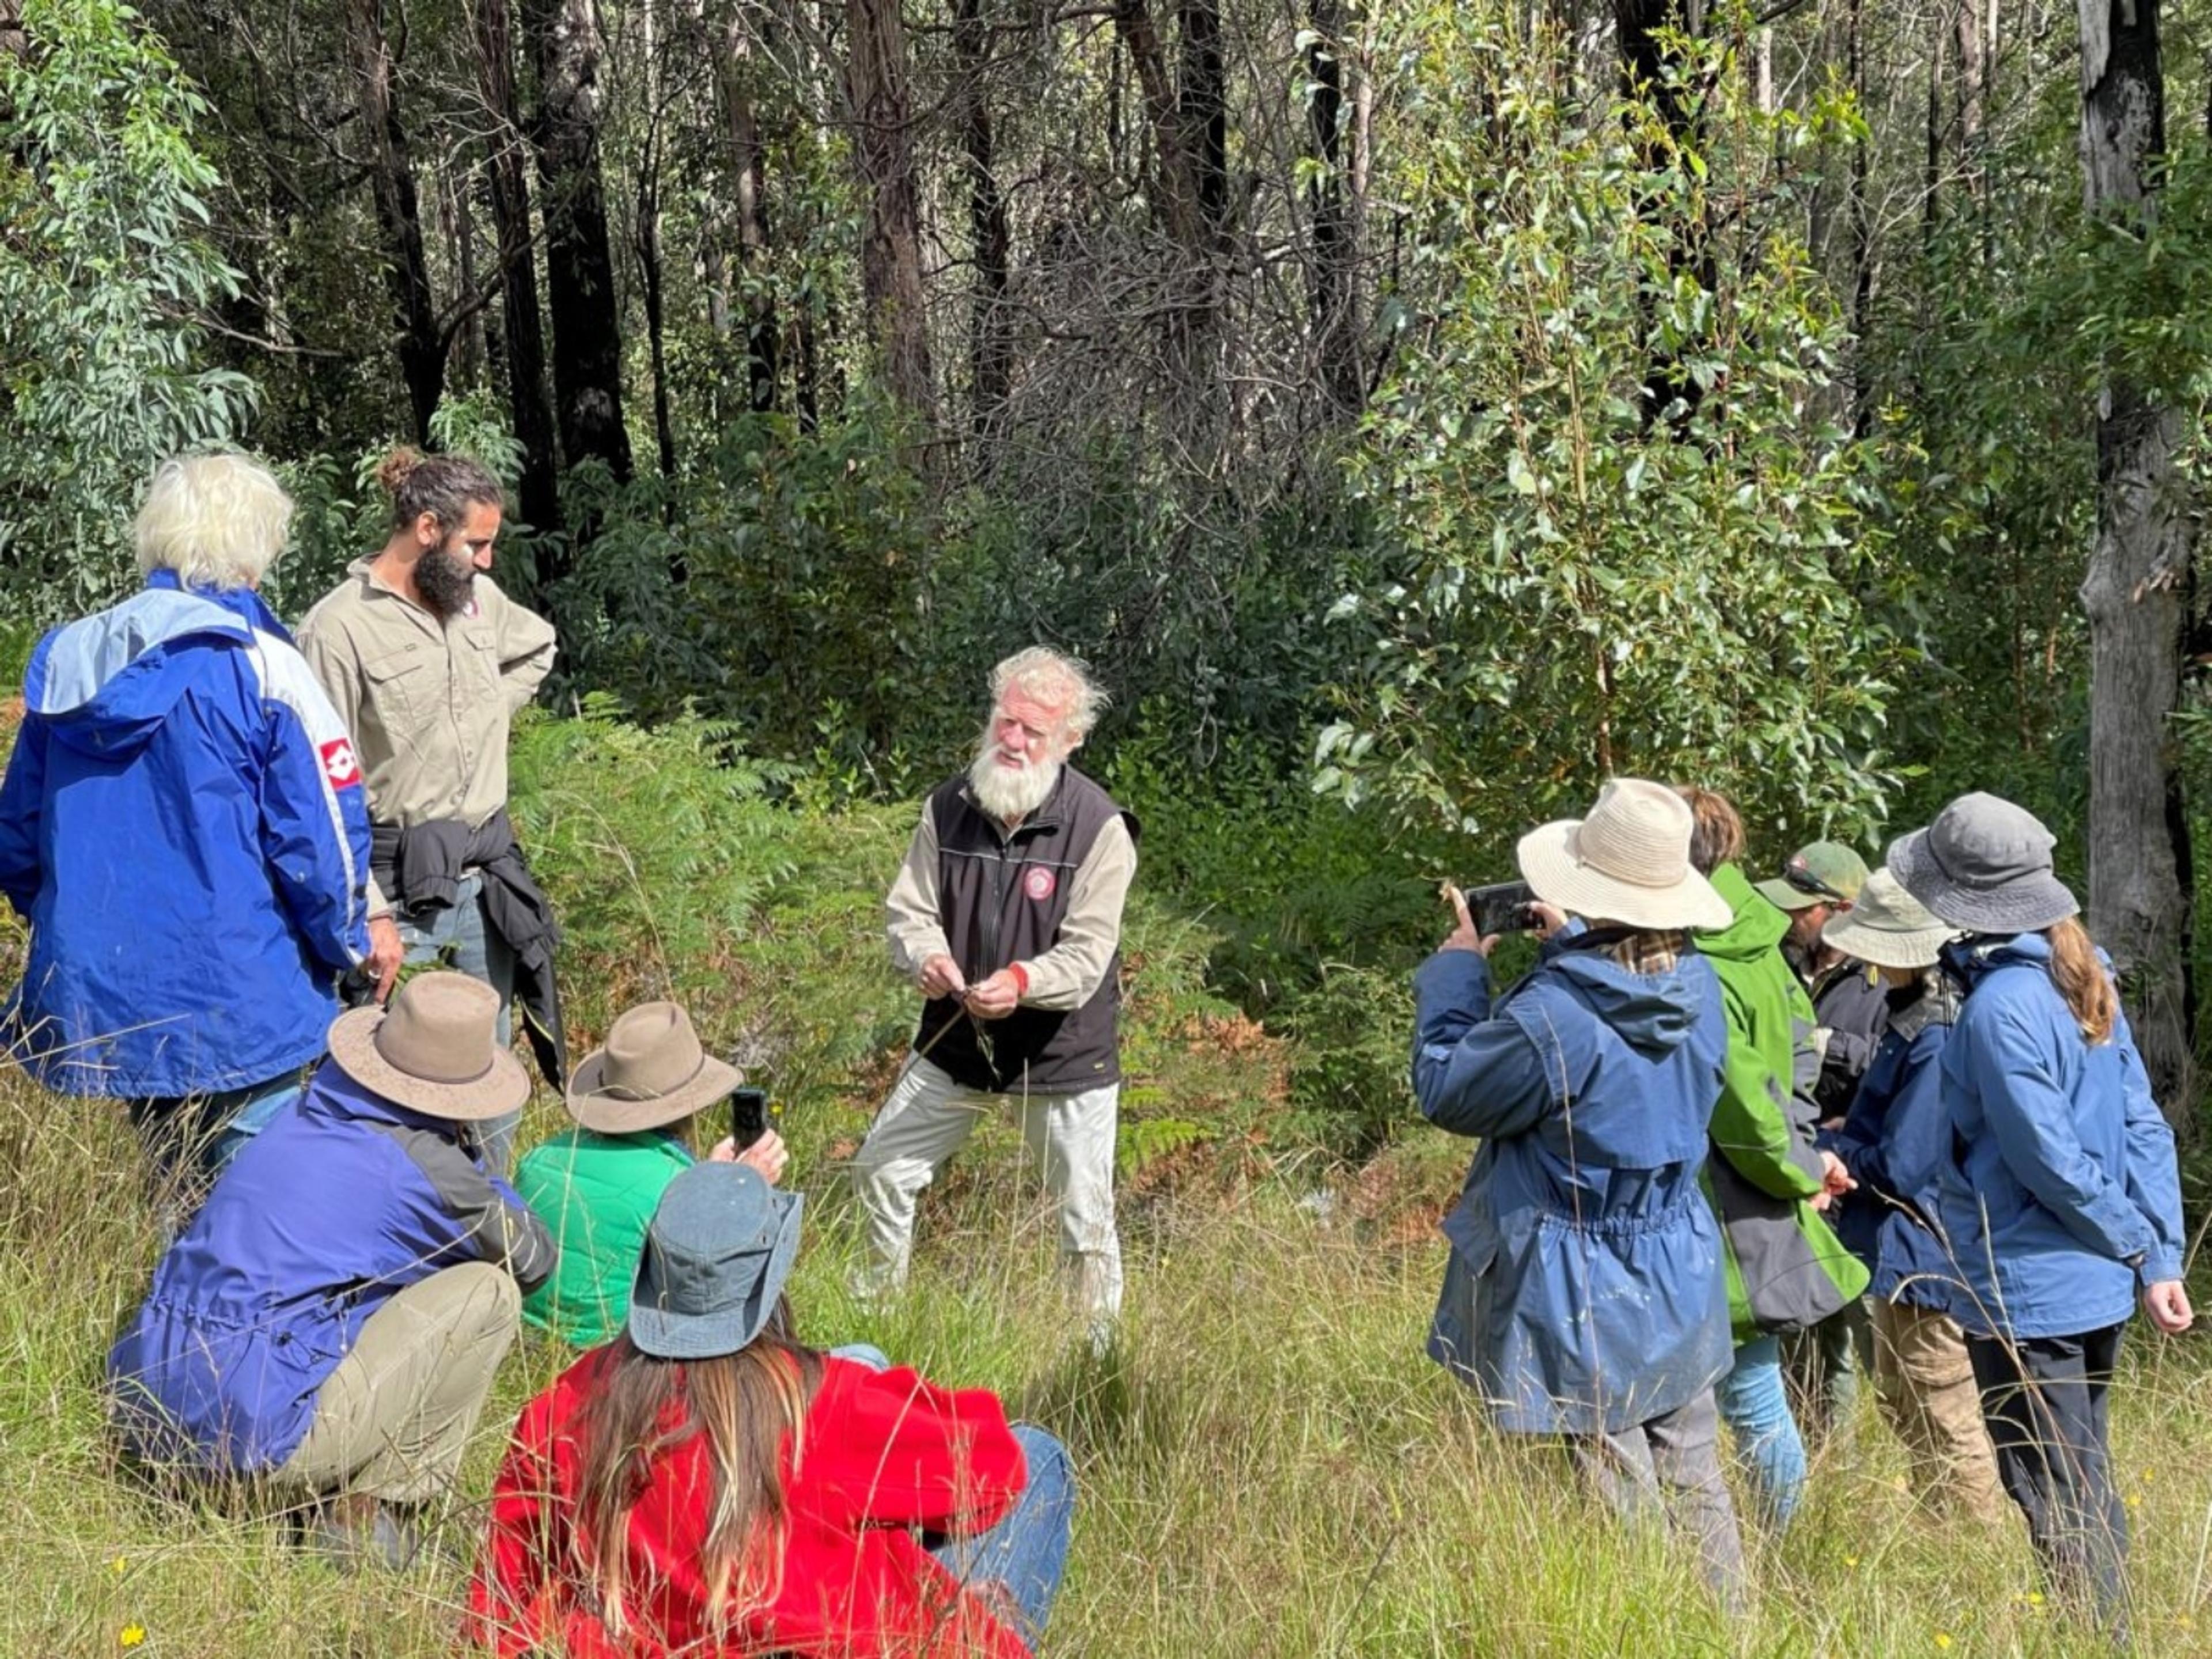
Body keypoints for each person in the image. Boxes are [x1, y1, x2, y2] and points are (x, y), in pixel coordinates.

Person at [467, 1161, 1076, 1658]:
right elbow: (996, 1473)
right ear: (769, 1278)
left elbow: (500, 1600)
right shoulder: (824, 1397)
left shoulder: (566, 1403)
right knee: (1041, 1453)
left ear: (653, 1274)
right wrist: (882, 1388)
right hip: (841, 1639)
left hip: (643, 1637)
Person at [0, 453, 372, 1214]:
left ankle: (171, 1327)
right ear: (253, 548)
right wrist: (349, 947)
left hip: (112, 993)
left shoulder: (71, 664)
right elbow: (324, 849)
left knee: (169, 1193)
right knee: (262, 1214)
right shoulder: (263, 666)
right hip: (243, 988)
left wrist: (72, 934)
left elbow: (17, 838)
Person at [1414, 778, 1746, 1602]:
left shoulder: (1556, 1016)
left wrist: (1457, 979)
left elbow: (1448, 1090)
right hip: (1677, 1262)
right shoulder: (1699, 989)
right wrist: (1574, 946)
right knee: (1695, 1476)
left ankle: (1655, 1634)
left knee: (1616, 1486)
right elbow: (1624, 1004)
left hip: (1581, 1282)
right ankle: (1729, 1630)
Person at [107, 972, 555, 1567]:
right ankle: (374, 1518)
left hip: (148, 1419)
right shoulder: (422, 1166)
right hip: (255, 1445)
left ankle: (279, 1495)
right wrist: (474, 1166)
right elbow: (533, 1259)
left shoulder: (298, 1118)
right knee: (488, 1290)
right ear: (462, 1097)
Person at [1892, 794, 2191, 1633]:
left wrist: (2148, 1252)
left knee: (2057, 1495)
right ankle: (2106, 1634)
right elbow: (2143, 1127)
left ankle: (2102, 1642)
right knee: (2084, 1477)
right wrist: (2156, 1255)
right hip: (2090, 1288)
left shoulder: (1997, 1010)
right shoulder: (2082, 970)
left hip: (2030, 1293)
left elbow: (2047, 1158)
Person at [851, 647, 1137, 1336]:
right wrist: (924, 958)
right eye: (1005, 722)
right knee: (881, 1169)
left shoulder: (1101, 828)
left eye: (1032, 732)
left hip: (1063, 1058)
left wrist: (1020, 982)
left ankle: (1096, 1365)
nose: (1012, 741)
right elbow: (909, 911)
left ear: (1069, 741)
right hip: (956, 1044)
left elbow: (1089, 955)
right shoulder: (947, 807)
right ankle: (874, 1335)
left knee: (1085, 1221)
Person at [298, 446, 562, 1172]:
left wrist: (485, 716)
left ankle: (491, 1231)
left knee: (491, 1071)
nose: (485, 561)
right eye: (475, 544)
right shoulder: (338, 630)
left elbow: (537, 647)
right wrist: (371, 910)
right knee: (373, 1071)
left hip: (486, 879)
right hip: (395, 889)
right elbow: (322, 788)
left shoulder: (474, 602)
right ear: (424, 528)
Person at [1676, 787, 1868, 1532]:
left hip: (1716, 1206)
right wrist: (1807, 1149)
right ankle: (1786, 1548)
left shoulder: (1703, 955)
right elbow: (1796, 1054)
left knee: (1714, 1404)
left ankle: (1768, 1554)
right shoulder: (1760, 938)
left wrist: (1797, 1161)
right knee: (1758, 1399)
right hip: (1758, 1194)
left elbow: (1744, 1100)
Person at [1821, 870, 2002, 1522]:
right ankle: (1941, 1532)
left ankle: (1975, 1551)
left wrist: (1834, 1152)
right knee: (1906, 1404)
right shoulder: (1915, 1017)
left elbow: (1908, 1163)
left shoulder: (1936, 1034)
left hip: (1928, 1255)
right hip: (1900, 1251)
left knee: (1947, 1415)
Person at [516, 999, 790, 1346]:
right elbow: (721, 1293)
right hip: (626, 1351)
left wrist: (707, 1183)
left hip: (529, 1341)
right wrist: (742, 1194)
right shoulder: (674, 1186)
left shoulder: (538, 1159)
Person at [1756, 840, 1881, 1436]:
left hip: (1857, 1185)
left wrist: (1825, 1044)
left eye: (1801, 907)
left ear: (1842, 909)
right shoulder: (1775, 959)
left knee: (1861, 1341)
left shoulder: (1885, 972)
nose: (1788, 917)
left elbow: (1908, 1068)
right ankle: (1813, 1456)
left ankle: (1852, 1468)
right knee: (1794, 1330)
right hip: (1792, 1175)